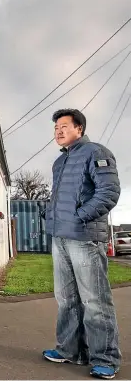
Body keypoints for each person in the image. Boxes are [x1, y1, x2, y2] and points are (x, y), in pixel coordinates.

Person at [43, 108, 121, 379]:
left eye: (64, 126)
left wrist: (79, 217)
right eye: (56, 128)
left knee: (94, 300)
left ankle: (105, 359)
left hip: (85, 237)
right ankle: (69, 350)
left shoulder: (96, 152)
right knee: (66, 299)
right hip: (60, 237)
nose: (59, 131)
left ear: (80, 128)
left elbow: (109, 193)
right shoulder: (59, 162)